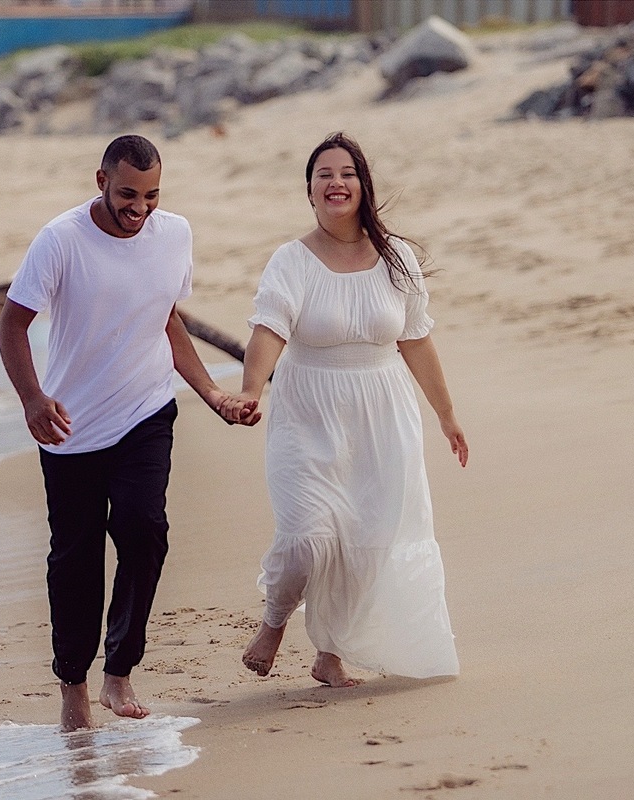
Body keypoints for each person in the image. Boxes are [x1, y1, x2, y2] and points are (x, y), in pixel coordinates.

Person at [0, 134, 257, 731]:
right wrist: (32, 399)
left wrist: (213, 394)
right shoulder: (60, 240)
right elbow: (13, 326)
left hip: (146, 410)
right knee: (75, 558)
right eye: (127, 195)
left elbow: (165, 318)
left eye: (151, 195)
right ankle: (73, 684)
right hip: (71, 425)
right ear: (101, 182)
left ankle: (119, 670)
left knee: (144, 530)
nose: (140, 208)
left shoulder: (174, 235)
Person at [220, 132, 468, 687]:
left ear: (363, 186)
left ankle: (329, 653)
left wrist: (446, 415)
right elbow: (269, 329)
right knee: (309, 536)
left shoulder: (397, 258)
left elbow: (416, 339)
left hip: (383, 411)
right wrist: (251, 390)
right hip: (308, 410)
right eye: (325, 175)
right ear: (309, 191)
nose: (337, 183)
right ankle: (275, 621)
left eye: (347, 174)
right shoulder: (292, 260)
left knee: (368, 539)